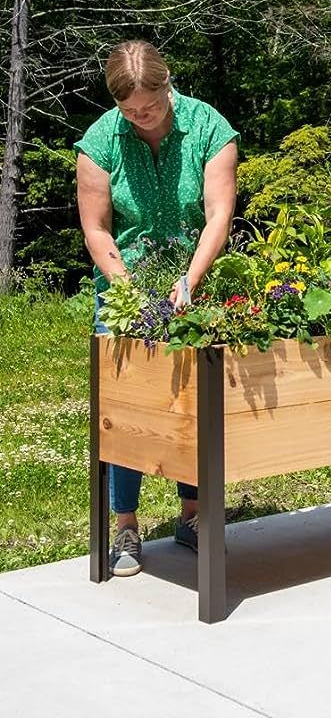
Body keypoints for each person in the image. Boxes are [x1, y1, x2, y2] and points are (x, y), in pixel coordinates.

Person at [74, 40, 238, 577]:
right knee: (128, 406)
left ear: (169, 86)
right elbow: (97, 228)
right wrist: (127, 290)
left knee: (191, 402)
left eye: (150, 105)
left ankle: (192, 515)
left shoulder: (209, 126)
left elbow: (218, 213)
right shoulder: (100, 141)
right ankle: (126, 524)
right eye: (130, 111)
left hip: (195, 275)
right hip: (126, 286)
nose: (141, 117)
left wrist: (189, 280)